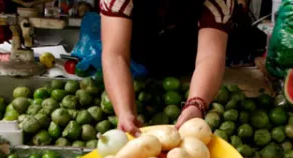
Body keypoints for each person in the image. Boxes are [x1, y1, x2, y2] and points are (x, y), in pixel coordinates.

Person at [99, 0, 234, 134]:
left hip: (188, 60)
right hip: (138, 59)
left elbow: (209, 56)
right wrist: (124, 111)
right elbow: (116, 55)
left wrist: (196, 104)